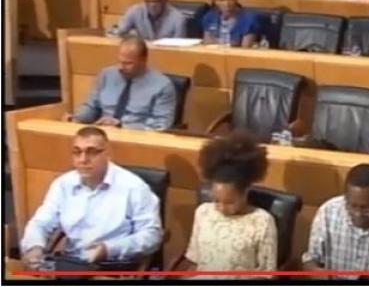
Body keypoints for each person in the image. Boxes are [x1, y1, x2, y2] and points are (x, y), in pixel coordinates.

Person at [21, 127, 162, 268]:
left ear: (108, 153)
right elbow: (40, 223)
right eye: (77, 152)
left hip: (112, 265)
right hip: (71, 262)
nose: (83, 160)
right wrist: (34, 247)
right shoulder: (63, 184)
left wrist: (109, 249)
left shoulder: (134, 187)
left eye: (92, 152)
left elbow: (152, 235)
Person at [182, 131, 277, 278]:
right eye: (216, 200)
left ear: (245, 193)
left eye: (229, 202)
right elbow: (194, 261)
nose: (221, 208)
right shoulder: (203, 213)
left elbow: (267, 274)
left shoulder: (262, 221)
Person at [66, 36, 176, 130]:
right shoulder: (106, 75)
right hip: (102, 133)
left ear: (143, 60)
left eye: (128, 63)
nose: (120, 67)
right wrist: (76, 118)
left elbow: (160, 125)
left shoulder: (162, 85)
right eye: (120, 61)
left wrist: (122, 126)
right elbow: (91, 106)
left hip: (135, 139)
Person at [113, 0, 187, 40]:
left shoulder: (178, 18)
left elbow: (179, 47)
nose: (152, 5)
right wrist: (133, 39)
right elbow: (120, 32)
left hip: (167, 54)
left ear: (165, 0)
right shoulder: (135, 11)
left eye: (156, 2)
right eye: (148, 1)